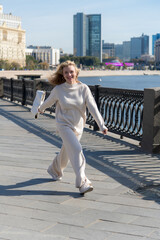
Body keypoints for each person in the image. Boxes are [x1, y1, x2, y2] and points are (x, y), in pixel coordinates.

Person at [38, 60, 108, 194]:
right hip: (63, 124)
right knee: (76, 149)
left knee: (67, 151)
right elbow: (48, 102)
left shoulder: (83, 88)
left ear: (76, 72)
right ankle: (82, 182)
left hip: (78, 126)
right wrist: (40, 109)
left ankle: (54, 169)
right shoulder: (59, 89)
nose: (69, 75)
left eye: (71, 72)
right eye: (66, 73)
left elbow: (93, 107)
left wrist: (101, 125)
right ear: (62, 75)